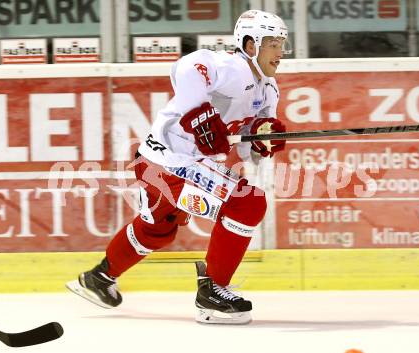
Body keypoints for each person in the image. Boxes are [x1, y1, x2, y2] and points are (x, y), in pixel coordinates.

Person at [67, 9, 291, 325]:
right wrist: (198, 112)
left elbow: (243, 147)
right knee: (248, 203)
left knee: (158, 230)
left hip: (165, 162)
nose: (280, 53)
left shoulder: (269, 89)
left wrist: (260, 141)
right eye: (273, 44)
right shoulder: (231, 67)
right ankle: (213, 290)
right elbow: (186, 67)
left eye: (282, 44)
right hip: (169, 160)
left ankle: (98, 279)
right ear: (251, 44)